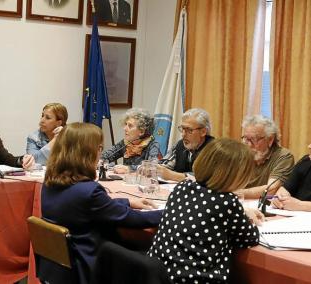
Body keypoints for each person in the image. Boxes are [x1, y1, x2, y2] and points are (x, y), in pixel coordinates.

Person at [41, 122, 162, 284]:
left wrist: (127, 201)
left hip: (58, 268)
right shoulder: (89, 191)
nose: (101, 152)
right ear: (85, 152)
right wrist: (170, 213)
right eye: (99, 148)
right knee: (154, 265)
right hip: (89, 265)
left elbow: (87, 207)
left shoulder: (50, 183)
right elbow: (131, 219)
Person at [148, 138, 264, 283]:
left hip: (158, 275)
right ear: (235, 175)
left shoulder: (182, 187)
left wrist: (240, 211)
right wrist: (248, 217)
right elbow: (250, 238)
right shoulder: (226, 202)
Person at [238, 115, 294, 199]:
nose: (248, 145)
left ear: (270, 139)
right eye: (246, 139)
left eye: (254, 139)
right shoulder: (240, 154)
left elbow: (271, 189)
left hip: (265, 207)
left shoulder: (283, 156)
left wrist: (237, 193)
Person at [158, 108, 214, 182]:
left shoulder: (213, 149)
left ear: (203, 132)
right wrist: (153, 168)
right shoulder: (181, 144)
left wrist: (173, 175)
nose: (183, 135)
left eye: (189, 130)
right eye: (183, 129)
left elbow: (204, 177)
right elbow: (164, 165)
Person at [101, 108, 161, 174]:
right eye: (125, 124)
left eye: (130, 126)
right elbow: (107, 155)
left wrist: (130, 169)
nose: (125, 128)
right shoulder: (126, 142)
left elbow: (153, 167)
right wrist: (102, 161)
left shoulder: (153, 145)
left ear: (142, 131)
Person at [271, 144, 311, 211]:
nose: (309, 146)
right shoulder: (306, 161)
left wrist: (300, 205)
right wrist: (279, 198)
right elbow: (285, 190)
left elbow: (298, 205)